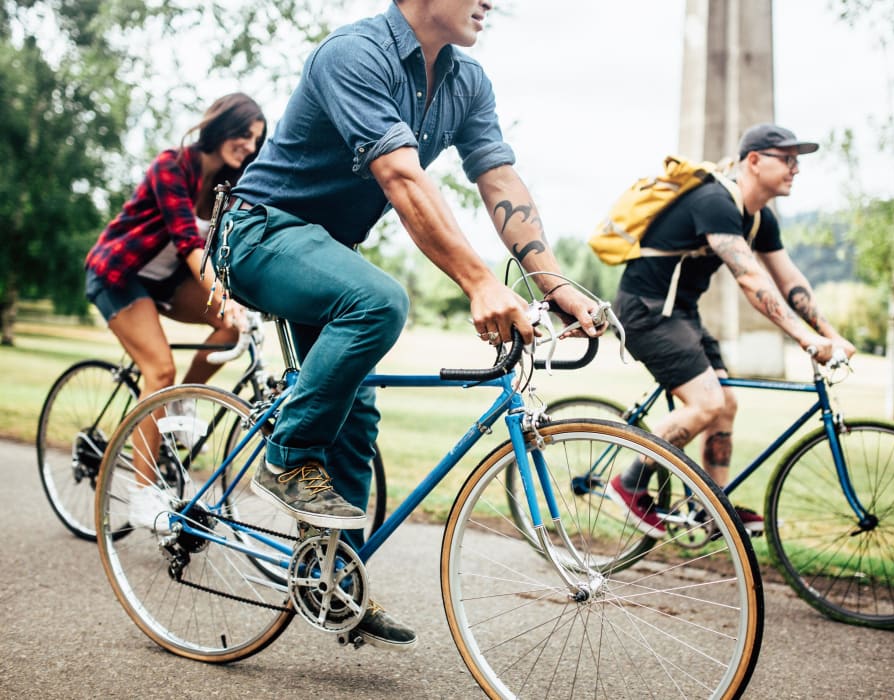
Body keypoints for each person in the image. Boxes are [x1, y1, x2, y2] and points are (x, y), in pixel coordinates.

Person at [213, 0, 602, 651]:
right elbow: (400, 174)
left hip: (322, 253)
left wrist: (554, 282)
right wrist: (478, 281)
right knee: (381, 301)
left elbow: (498, 176)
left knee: (358, 414)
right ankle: (285, 458)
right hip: (256, 234)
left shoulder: (465, 81)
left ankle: (331, 580)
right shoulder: (354, 54)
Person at [608, 123, 857, 538]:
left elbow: (788, 278)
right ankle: (629, 482)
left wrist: (829, 333)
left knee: (726, 405)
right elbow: (751, 279)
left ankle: (711, 508)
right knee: (705, 404)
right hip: (646, 312)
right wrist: (806, 340)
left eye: (799, 161)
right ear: (754, 161)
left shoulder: (759, 219)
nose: (796, 168)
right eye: (788, 159)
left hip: (681, 313)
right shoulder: (715, 201)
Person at [84, 93, 267, 530]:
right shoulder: (172, 165)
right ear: (222, 125)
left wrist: (246, 300)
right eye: (244, 134)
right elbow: (188, 243)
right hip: (118, 275)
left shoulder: (229, 186)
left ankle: (181, 400)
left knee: (228, 327)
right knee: (158, 369)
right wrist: (223, 296)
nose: (249, 146)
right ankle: (143, 497)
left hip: (167, 284)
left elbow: (228, 250)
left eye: (256, 141)